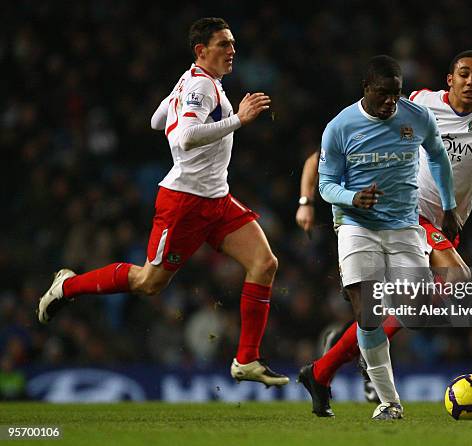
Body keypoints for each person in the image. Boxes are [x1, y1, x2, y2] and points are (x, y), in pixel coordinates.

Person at [37, 17, 289, 388]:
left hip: (216, 198)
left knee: (264, 263)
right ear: (201, 51)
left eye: (233, 43)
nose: (232, 50)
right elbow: (185, 136)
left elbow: (158, 121)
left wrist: (180, 105)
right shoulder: (201, 86)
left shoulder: (194, 81)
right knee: (148, 282)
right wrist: (239, 119)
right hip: (185, 202)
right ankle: (66, 286)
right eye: (224, 44)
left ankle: (247, 359)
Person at [297, 50, 472, 415]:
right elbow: (330, 154)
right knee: (457, 277)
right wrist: (311, 198)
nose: (471, 81)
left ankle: (327, 366)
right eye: (463, 74)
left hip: (446, 221)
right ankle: (365, 352)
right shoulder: (417, 103)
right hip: (408, 213)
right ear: (449, 80)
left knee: (417, 311)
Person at [298, 55, 459, 420]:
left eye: (396, 94)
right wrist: (352, 197)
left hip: (404, 226)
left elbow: (437, 156)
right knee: (368, 311)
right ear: (366, 89)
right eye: (384, 94)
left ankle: (325, 368)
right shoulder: (340, 127)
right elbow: (325, 184)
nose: (391, 102)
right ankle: (390, 402)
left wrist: (449, 208)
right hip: (357, 225)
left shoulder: (416, 117)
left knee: (416, 311)